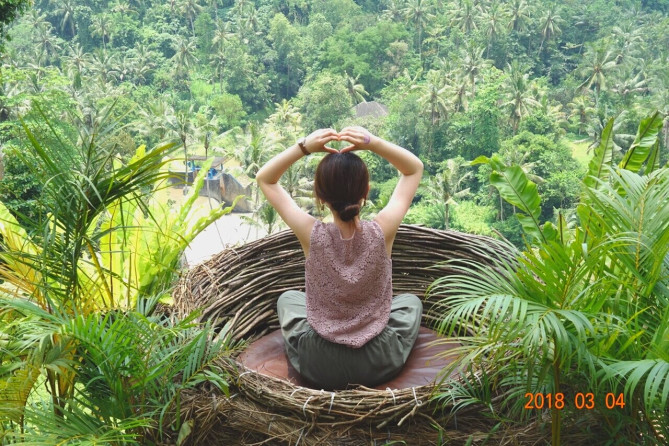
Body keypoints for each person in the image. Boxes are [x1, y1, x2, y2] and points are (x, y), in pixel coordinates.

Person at [256, 126, 424, 389]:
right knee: (410, 303)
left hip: (319, 364)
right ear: (366, 191)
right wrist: (373, 142)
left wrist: (304, 147)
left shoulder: (310, 233)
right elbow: (414, 168)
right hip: (379, 362)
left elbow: (265, 179)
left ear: (320, 197)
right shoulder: (383, 230)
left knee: (288, 299)